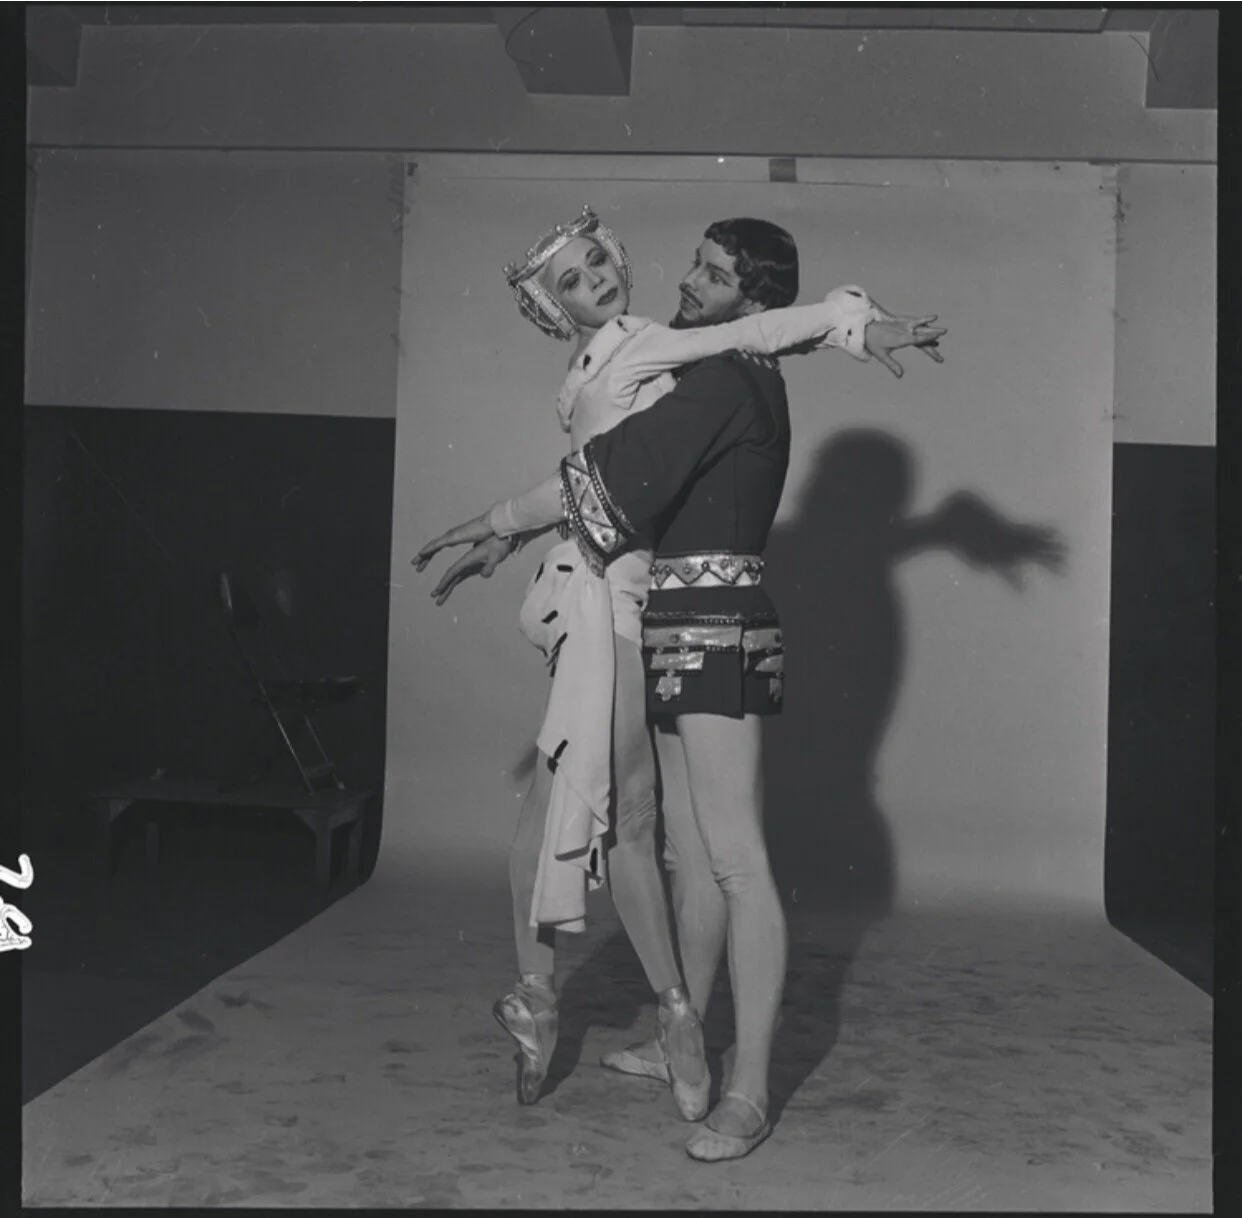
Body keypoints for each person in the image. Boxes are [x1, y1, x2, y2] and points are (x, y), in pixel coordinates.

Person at [417, 210, 944, 1158]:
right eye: (695, 264)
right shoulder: (721, 369)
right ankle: (684, 1035)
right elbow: (762, 336)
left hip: (715, 627)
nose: (687, 279)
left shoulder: (729, 383)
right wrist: (853, 325)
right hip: (672, 622)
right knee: (690, 856)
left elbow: (607, 475)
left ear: (752, 293)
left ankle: (748, 1091)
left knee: (735, 862)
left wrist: (499, 520)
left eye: (711, 271)